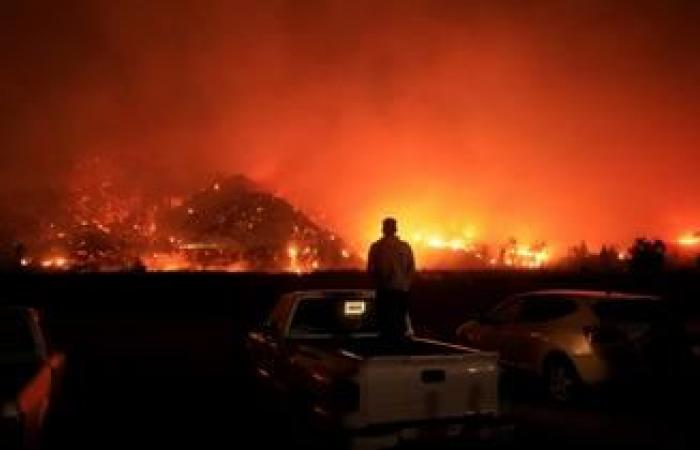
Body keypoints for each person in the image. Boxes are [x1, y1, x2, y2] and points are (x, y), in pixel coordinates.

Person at [367, 217, 416, 340]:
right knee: (393, 321)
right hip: (393, 290)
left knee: (390, 321)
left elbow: (411, 268)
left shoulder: (379, 247)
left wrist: (405, 284)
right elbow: (411, 269)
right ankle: (395, 343)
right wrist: (405, 285)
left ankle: (392, 344)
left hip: (393, 290)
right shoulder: (379, 247)